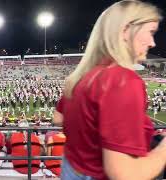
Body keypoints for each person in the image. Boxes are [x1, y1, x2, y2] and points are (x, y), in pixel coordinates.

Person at [56, 1, 166, 179]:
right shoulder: (122, 81)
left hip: (72, 168)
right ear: (125, 31)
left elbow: (57, 117)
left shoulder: (83, 76)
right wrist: (163, 150)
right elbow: (124, 174)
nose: (152, 42)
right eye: (150, 31)